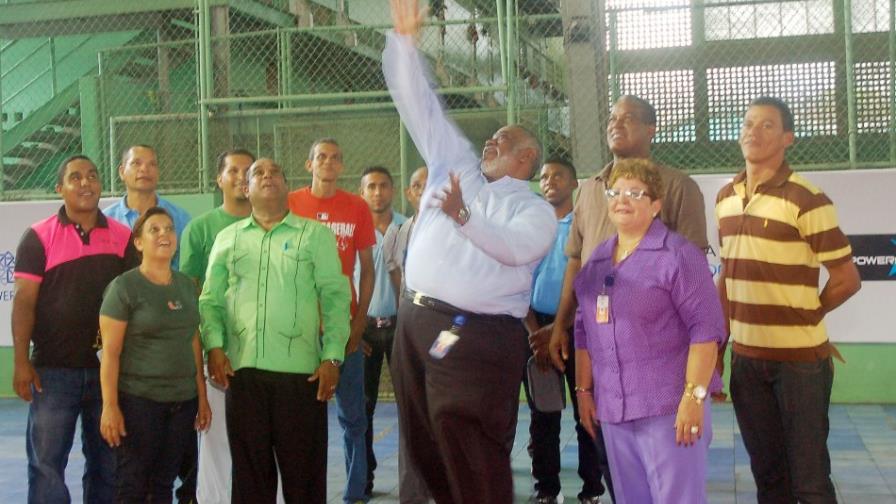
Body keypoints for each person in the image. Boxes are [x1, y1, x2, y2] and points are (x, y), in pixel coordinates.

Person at [384, 1, 557, 501]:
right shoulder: (455, 165)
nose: (489, 142)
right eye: (491, 137)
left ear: (527, 156)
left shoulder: (534, 210)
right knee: (422, 445)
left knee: (469, 444)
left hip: (475, 335)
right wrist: (404, 43)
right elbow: (420, 105)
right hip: (415, 324)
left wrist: (464, 216)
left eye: (503, 139)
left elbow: (515, 248)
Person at [717, 97, 861, 503]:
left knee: (810, 481)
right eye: (748, 123)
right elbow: (728, 276)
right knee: (769, 479)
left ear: (787, 138)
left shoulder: (807, 198)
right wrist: (719, 347)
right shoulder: (725, 197)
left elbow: (847, 280)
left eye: (767, 125)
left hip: (800, 365)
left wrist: (808, 312)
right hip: (746, 361)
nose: (753, 131)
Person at [574, 158, 725, 504]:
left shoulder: (678, 255)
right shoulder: (598, 260)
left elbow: (706, 330)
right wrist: (583, 391)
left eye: (635, 193)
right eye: (615, 192)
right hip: (614, 410)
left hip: (670, 409)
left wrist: (693, 398)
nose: (622, 200)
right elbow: (583, 331)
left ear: (656, 205)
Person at [200, 158, 350, 504]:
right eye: (258, 174)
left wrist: (332, 357)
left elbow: (335, 298)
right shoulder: (228, 239)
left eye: (275, 173)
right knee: (250, 480)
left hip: (301, 377)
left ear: (287, 186)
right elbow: (210, 299)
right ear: (246, 188)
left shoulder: (315, 236)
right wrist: (214, 347)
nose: (267, 176)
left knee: (304, 480)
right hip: (243, 375)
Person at [548, 95, 708, 372]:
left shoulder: (678, 187)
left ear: (651, 129)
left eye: (628, 118)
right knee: (589, 401)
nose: (616, 124)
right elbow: (575, 261)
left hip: (656, 341)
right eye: (612, 118)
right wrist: (561, 324)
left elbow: (693, 269)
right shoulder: (589, 189)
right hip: (595, 337)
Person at [12, 155, 137, 503]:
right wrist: (21, 362)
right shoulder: (37, 237)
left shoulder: (123, 238)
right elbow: (24, 302)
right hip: (52, 373)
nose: (86, 183)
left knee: (108, 464)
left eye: (92, 176)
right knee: (46, 466)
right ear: (60, 188)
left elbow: (134, 304)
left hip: (108, 373)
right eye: (76, 177)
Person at [98, 207, 212, 502]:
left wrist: (201, 396)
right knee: (133, 483)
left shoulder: (186, 286)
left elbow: (193, 341)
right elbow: (110, 354)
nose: (165, 234)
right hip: (139, 403)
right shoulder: (124, 288)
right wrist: (110, 406)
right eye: (155, 230)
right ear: (138, 242)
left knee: (163, 483)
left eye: (169, 229)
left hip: (182, 404)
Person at [288, 139, 376, 504]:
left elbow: (367, 270)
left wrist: (358, 323)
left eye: (335, 157)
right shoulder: (290, 204)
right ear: (309, 164)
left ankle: (355, 494)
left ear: (342, 166)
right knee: (300, 421)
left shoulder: (357, 207)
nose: (328, 162)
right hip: (299, 329)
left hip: (342, 329)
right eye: (321, 157)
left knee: (353, 417)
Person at [523, 159, 609, 504]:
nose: (549, 181)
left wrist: (561, 327)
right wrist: (536, 333)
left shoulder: (586, 224)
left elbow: (589, 281)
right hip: (535, 332)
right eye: (544, 176)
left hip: (578, 329)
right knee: (543, 415)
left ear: (574, 183)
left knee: (586, 411)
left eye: (558, 175)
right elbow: (518, 283)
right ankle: (547, 489)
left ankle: (591, 490)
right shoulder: (532, 229)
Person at [179, 149, 254, 504]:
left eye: (248, 171)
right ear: (218, 179)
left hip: (265, 351)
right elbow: (190, 291)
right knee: (216, 439)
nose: (241, 177)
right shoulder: (200, 229)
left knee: (264, 440)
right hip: (218, 349)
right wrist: (210, 346)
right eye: (233, 170)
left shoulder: (276, 222)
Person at [381, 165, 432, 504]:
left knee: (446, 413)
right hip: (409, 336)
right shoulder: (398, 233)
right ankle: (413, 493)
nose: (425, 189)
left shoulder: (462, 230)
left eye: (431, 183)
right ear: (410, 194)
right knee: (411, 415)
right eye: (417, 185)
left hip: (447, 339)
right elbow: (398, 280)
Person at [355, 166, 407, 498]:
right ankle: (364, 478)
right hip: (364, 331)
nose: (377, 192)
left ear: (393, 190)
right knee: (363, 408)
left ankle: (415, 479)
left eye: (383, 185)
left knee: (412, 407)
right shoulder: (354, 231)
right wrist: (353, 329)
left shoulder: (408, 228)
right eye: (371, 187)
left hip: (403, 327)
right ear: (362, 193)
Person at [103, 144, 192, 271]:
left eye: (152, 164)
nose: (144, 169)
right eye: (136, 163)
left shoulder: (180, 218)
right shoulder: (105, 220)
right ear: (122, 172)